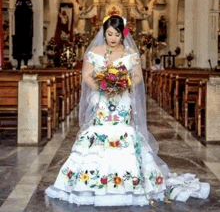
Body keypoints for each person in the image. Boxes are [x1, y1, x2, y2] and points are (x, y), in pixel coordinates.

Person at [45, 15, 210, 206]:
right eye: (109, 34)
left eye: (116, 34)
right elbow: (86, 75)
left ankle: (129, 183)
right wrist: (101, 86)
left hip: (122, 102)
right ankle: (91, 183)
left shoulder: (130, 54)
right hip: (102, 103)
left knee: (124, 135)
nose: (113, 38)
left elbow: (138, 76)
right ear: (104, 33)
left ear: (122, 34)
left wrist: (123, 83)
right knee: (98, 135)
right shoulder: (94, 52)